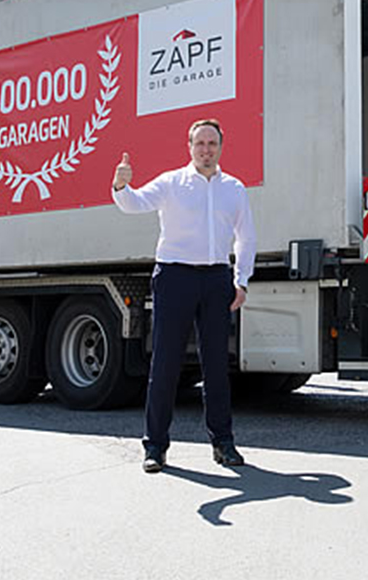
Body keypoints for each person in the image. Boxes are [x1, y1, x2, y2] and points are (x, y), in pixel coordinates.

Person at [112, 118, 256, 472]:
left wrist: (241, 280)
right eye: (200, 143)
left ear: (221, 147)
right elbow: (134, 203)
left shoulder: (234, 188)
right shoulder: (171, 183)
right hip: (174, 276)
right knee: (165, 363)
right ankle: (155, 447)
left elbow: (246, 237)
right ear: (189, 147)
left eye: (212, 144)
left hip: (216, 280)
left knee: (217, 367)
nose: (206, 150)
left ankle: (223, 443)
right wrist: (121, 185)